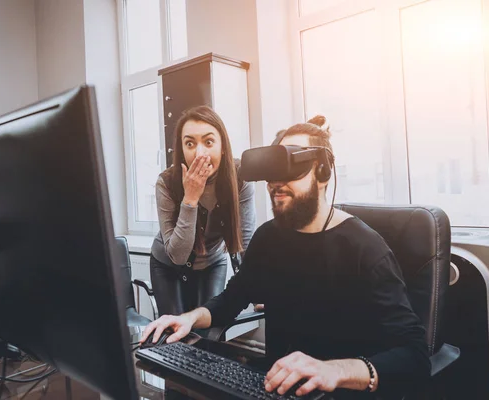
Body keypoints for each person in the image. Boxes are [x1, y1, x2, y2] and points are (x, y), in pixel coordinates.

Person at [141, 116, 430, 398]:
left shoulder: (365, 249)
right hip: (274, 389)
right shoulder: (269, 238)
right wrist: (188, 319)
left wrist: (334, 371)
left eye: (292, 169)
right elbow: (230, 301)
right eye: (273, 171)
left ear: (322, 173)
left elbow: (415, 356)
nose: (276, 183)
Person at [150, 105, 256, 317]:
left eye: (208, 142)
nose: (200, 154)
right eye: (190, 143)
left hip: (212, 263)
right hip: (167, 265)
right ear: (181, 150)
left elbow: (245, 242)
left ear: (223, 147)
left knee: (209, 330)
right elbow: (178, 256)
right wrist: (190, 198)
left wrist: (257, 290)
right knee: (174, 335)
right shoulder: (167, 183)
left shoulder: (240, 178)